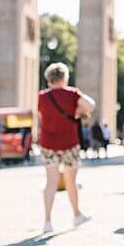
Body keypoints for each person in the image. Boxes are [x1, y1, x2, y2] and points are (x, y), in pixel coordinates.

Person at [36, 63, 94, 233]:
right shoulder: (72, 94)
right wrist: (78, 109)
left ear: (49, 79)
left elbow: (40, 117)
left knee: (51, 182)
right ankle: (76, 215)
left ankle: (47, 221)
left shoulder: (42, 96)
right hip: (69, 142)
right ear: (65, 77)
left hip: (48, 143)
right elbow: (91, 104)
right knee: (71, 181)